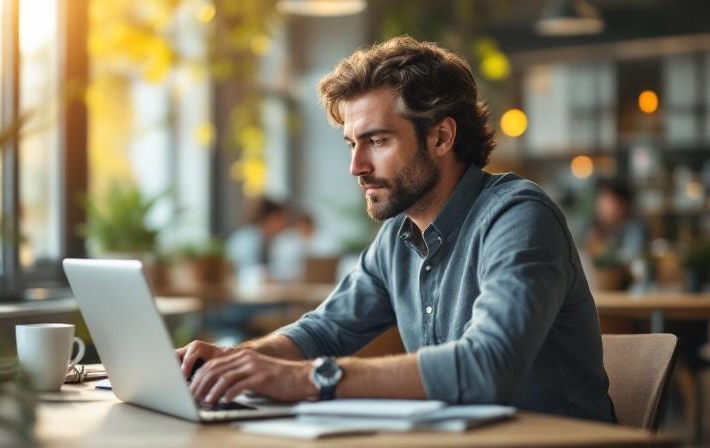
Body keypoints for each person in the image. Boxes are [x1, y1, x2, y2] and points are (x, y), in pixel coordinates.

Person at [178, 36, 615, 423]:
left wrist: (312, 378)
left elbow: (488, 366)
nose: (357, 167)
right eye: (353, 144)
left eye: (378, 141)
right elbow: (324, 331)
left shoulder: (518, 217)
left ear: (441, 138)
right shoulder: (397, 238)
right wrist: (231, 362)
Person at [225, 197, 290, 277]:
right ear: (271, 218)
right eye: (281, 219)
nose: (284, 224)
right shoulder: (247, 240)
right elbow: (244, 273)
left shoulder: (266, 240)